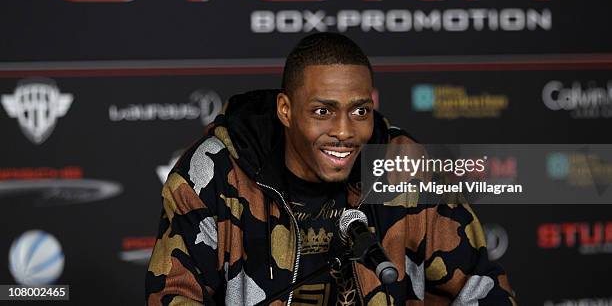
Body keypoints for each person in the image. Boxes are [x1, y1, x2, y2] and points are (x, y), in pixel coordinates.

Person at [145, 33, 516, 305]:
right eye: (323, 111)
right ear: (285, 111)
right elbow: (175, 297)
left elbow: (485, 294)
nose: (344, 132)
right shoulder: (212, 174)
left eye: (359, 111)